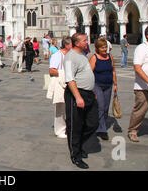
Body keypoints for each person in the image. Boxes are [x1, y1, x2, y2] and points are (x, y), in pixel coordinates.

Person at [63, 33, 98, 169]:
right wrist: (78, 97)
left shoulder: (83, 55)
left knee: (92, 123)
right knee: (75, 126)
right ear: (77, 43)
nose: (87, 42)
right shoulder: (70, 57)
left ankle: (78, 144)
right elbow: (70, 79)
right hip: (76, 94)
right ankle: (75, 155)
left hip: (88, 93)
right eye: (84, 40)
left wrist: (91, 90)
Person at [89, 38, 117, 141]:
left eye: (106, 47)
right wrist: (91, 88)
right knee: (100, 106)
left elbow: (113, 70)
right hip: (97, 85)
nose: (105, 49)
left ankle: (100, 124)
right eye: (102, 47)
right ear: (98, 49)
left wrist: (115, 84)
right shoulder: (94, 58)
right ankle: (102, 130)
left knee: (105, 108)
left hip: (108, 85)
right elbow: (89, 73)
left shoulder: (110, 57)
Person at [47, 36, 72, 139]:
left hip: (70, 83)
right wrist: (65, 74)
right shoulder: (58, 55)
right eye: (72, 44)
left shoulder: (72, 55)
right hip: (61, 84)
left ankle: (68, 127)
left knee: (69, 107)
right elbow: (51, 70)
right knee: (61, 108)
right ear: (66, 45)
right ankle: (60, 130)